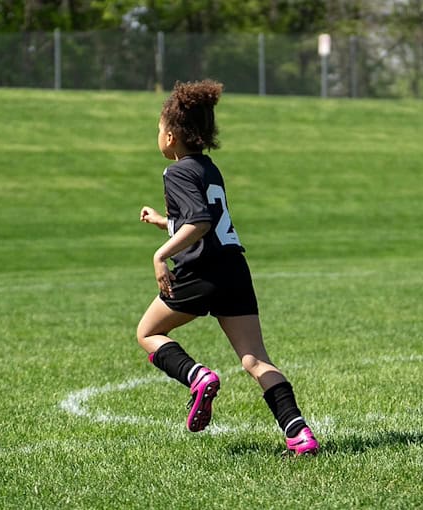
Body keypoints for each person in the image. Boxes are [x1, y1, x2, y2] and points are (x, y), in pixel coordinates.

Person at [136, 80, 319, 456]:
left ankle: (197, 376)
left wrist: (159, 255)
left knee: (148, 333)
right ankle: (299, 434)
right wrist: (162, 221)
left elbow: (199, 223)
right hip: (233, 269)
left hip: (200, 271)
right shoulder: (208, 168)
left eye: (158, 129)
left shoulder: (175, 173)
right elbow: (203, 220)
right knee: (255, 359)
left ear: (170, 136)